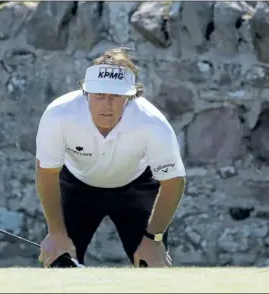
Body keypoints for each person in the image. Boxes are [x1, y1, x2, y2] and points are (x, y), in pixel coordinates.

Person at [34, 48, 186, 268]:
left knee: (152, 266)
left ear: (131, 96)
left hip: (136, 187)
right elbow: (46, 172)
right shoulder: (58, 114)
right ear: (86, 93)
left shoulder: (153, 123)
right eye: (99, 96)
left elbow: (173, 181)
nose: (107, 105)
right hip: (76, 186)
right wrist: (56, 232)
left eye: (116, 96)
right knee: (58, 262)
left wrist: (154, 238)